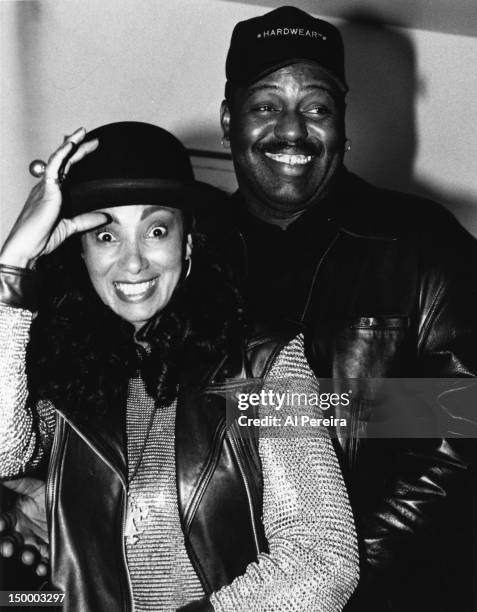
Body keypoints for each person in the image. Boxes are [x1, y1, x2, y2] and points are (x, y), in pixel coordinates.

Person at [0, 121, 358, 611]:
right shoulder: (63, 369)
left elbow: (323, 559)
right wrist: (12, 269)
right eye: (106, 235)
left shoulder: (266, 360)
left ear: (186, 244)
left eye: (157, 230)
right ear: (81, 252)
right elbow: (4, 456)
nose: (132, 263)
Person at [215, 6, 477, 612]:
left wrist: (335, 577)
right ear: (229, 121)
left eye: (316, 107)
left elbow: (461, 426)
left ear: (342, 125)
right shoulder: (189, 251)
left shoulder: (419, 242)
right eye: (264, 106)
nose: (292, 129)